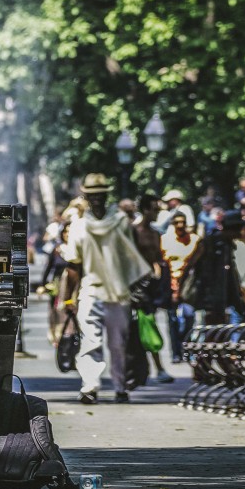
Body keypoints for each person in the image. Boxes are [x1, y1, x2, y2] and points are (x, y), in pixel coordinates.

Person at [60, 173, 151, 405]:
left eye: (101, 195)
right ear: (86, 196)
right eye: (93, 196)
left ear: (106, 195)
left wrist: (136, 289)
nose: (97, 200)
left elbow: (132, 257)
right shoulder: (79, 226)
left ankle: (120, 386)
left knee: (118, 345)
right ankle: (90, 386)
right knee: (90, 341)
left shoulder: (120, 221)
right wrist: (68, 298)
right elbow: (74, 265)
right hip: (91, 290)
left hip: (119, 292)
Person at [131, 194, 172, 383]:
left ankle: (154, 368)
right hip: (135, 286)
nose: (157, 213)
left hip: (151, 286)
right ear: (145, 209)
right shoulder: (134, 231)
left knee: (148, 325)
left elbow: (157, 258)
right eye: (155, 209)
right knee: (140, 327)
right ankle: (147, 368)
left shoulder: (155, 233)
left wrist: (158, 273)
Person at [192, 210, 245, 325]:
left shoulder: (227, 245)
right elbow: (205, 275)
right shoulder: (211, 244)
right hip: (211, 304)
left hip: (222, 303)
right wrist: (209, 305)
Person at [161, 213, 202, 362]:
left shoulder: (194, 240)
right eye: (177, 222)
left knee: (189, 317)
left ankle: (187, 349)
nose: (180, 225)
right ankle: (176, 352)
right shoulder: (165, 240)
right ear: (172, 224)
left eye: (183, 222)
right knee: (172, 320)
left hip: (188, 285)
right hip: (170, 284)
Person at [36, 221, 71, 344]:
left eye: (70, 231)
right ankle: (57, 335)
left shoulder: (77, 250)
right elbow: (48, 268)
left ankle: (69, 335)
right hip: (58, 285)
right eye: (66, 231)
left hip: (73, 286)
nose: (68, 234)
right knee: (56, 310)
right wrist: (42, 285)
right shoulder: (57, 250)